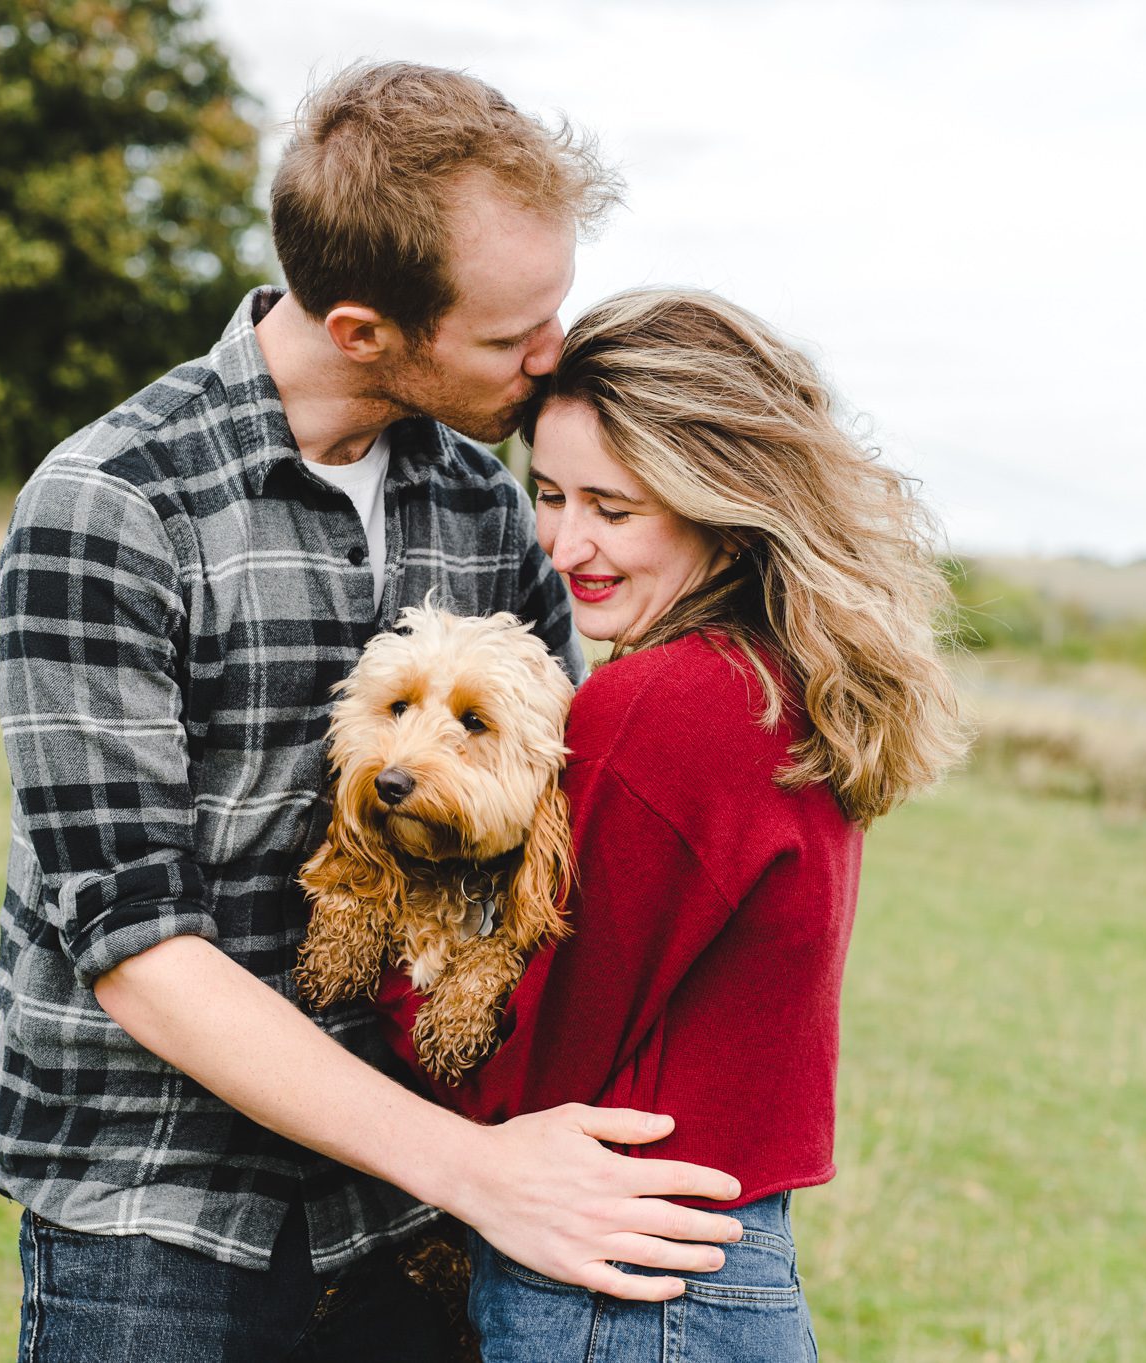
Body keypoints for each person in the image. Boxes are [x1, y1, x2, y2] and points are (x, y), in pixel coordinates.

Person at [0, 65, 746, 1362]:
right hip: (160, 1197)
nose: (551, 358)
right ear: (363, 330)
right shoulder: (110, 504)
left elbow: (558, 807)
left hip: (412, 1193)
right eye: (513, 338)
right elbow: (134, 947)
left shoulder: (490, 502)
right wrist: (478, 1167)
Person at [377, 288, 970, 1360]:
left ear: (718, 498)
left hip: (624, 1291)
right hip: (716, 1266)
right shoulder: (784, 680)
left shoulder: (662, 702)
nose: (565, 543)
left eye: (614, 506)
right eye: (549, 494)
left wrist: (382, 950)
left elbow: (531, 1072)